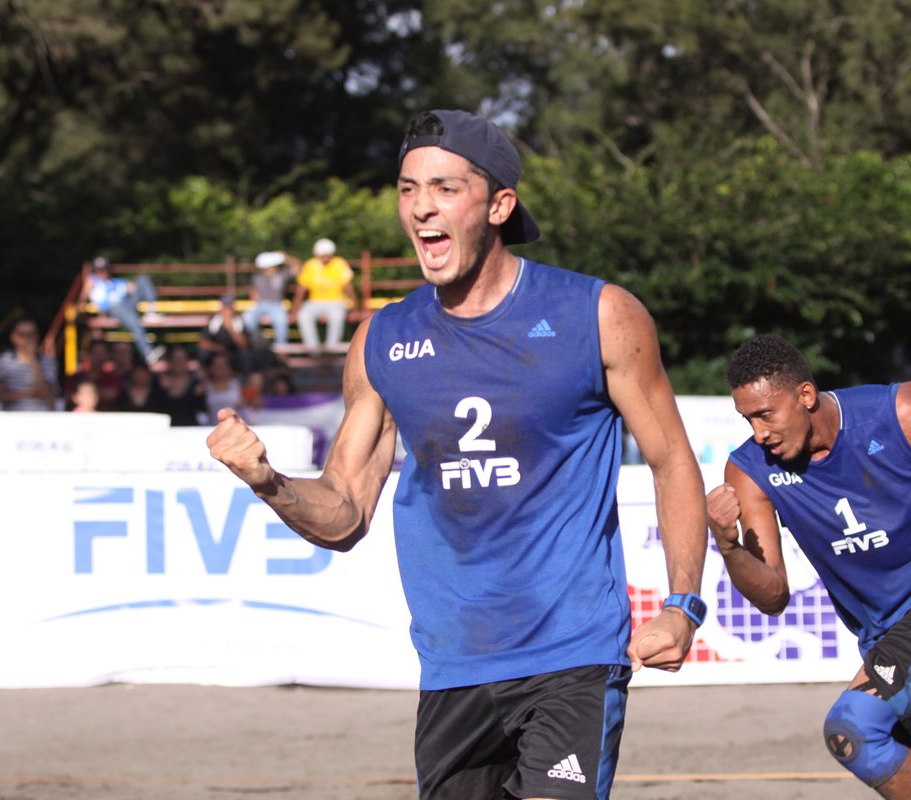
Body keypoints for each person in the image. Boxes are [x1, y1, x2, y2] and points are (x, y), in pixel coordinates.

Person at [208, 109, 709, 800]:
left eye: (445, 188)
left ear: (499, 205)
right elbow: (345, 512)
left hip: (573, 653)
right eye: (408, 189)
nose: (421, 207)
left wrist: (682, 604)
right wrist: (268, 481)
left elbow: (672, 460)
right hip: (453, 667)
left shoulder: (598, 314)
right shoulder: (383, 339)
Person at [705, 334, 911, 800]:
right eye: (748, 419)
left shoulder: (905, 412)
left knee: (853, 730)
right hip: (885, 636)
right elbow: (773, 596)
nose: (759, 433)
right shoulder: (750, 471)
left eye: (766, 414)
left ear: (805, 395)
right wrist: (729, 547)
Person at [80, 256, 165, 366]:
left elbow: (132, 288)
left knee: (142, 278)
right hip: (113, 308)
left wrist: (142, 289)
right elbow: (83, 296)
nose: (102, 272)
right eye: (99, 270)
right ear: (95, 271)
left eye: (104, 269)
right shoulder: (93, 281)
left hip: (126, 304)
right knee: (133, 320)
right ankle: (147, 352)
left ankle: (151, 310)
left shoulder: (115, 282)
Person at [290, 238, 356, 351]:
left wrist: (355, 307)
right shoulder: (310, 265)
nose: (326, 258)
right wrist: (295, 310)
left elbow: (348, 287)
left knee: (337, 316)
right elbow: (301, 290)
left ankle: (331, 348)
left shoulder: (340, 264)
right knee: (303, 315)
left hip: (337, 301)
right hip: (314, 302)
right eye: (323, 255)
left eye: (328, 255)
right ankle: (313, 349)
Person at [0, 318, 59, 411]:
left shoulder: (48, 361)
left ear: (37, 336)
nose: (27, 339)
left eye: (31, 334)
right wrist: (32, 392)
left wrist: (32, 359)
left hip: (42, 416)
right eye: (22, 334)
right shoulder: (3, 361)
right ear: (13, 337)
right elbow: (0, 396)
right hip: (13, 416)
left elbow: (45, 393)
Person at [244, 251, 300, 346]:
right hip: (259, 305)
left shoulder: (281, 274)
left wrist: (286, 258)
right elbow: (253, 294)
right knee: (248, 318)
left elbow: (298, 267)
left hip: (276, 305)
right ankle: (251, 345)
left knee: (281, 320)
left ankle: (281, 348)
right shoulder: (257, 277)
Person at [154, 345, 208, 426]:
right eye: (176, 358)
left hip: (191, 429)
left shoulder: (197, 384)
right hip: (165, 430)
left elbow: (204, 411)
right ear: (170, 361)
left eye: (182, 358)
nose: (179, 362)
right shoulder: (160, 384)